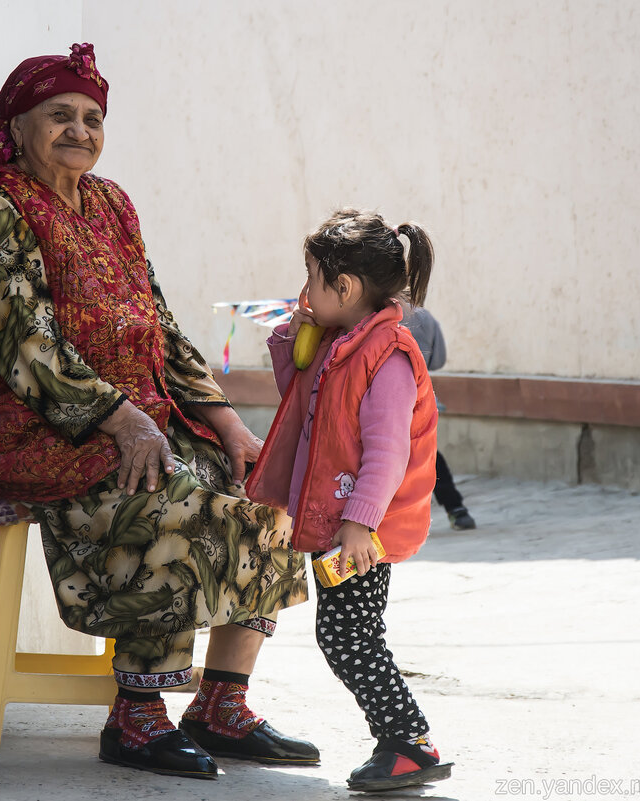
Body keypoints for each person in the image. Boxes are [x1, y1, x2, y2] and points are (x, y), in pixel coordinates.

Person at [0, 44, 318, 779]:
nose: (80, 129)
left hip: (138, 416)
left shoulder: (110, 202)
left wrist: (225, 419)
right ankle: (137, 716)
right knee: (174, 509)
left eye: (92, 118)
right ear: (15, 125)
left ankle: (222, 703)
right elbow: (26, 351)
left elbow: (159, 324)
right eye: (60, 115)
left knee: (266, 494)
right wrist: (120, 417)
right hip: (36, 430)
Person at [246, 209, 453, 791]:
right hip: (342, 524)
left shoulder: (386, 356)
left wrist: (359, 525)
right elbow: (302, 399)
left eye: (312, 278)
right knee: (352, 634)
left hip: (361, 533)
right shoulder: (342, 344)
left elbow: (386, 455)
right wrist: (294, 338)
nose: (304, 289)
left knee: (347, 636)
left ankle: (408, 741)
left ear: (346, 287)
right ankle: (404, 741)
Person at [403, 307, 477, 530]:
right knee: (428, 453)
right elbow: (438, 361)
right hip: (420, 398)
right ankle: (456, 508)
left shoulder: (366, 312)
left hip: (378, 400)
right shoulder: (424, 317)